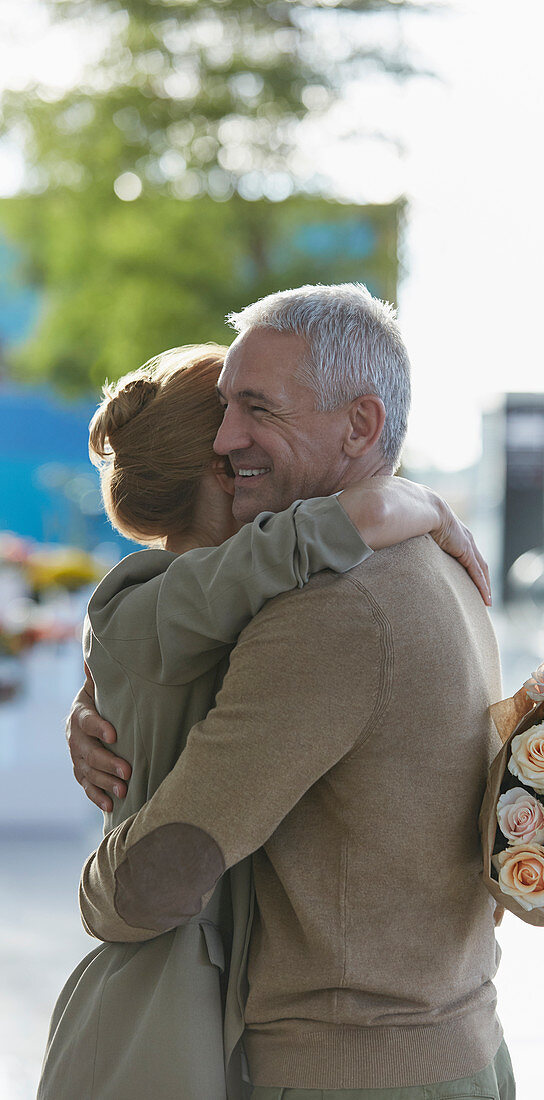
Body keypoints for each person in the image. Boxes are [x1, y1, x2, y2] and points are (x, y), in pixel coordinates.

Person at [68, 283, 515, 1098]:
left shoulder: (334, 609)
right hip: (444, 1041)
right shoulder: (433, 563)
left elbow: (169, 865)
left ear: (360, 425)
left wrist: (96, 893)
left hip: (351, 1069)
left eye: (257, 409)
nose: (233, 436)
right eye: (225, 413)